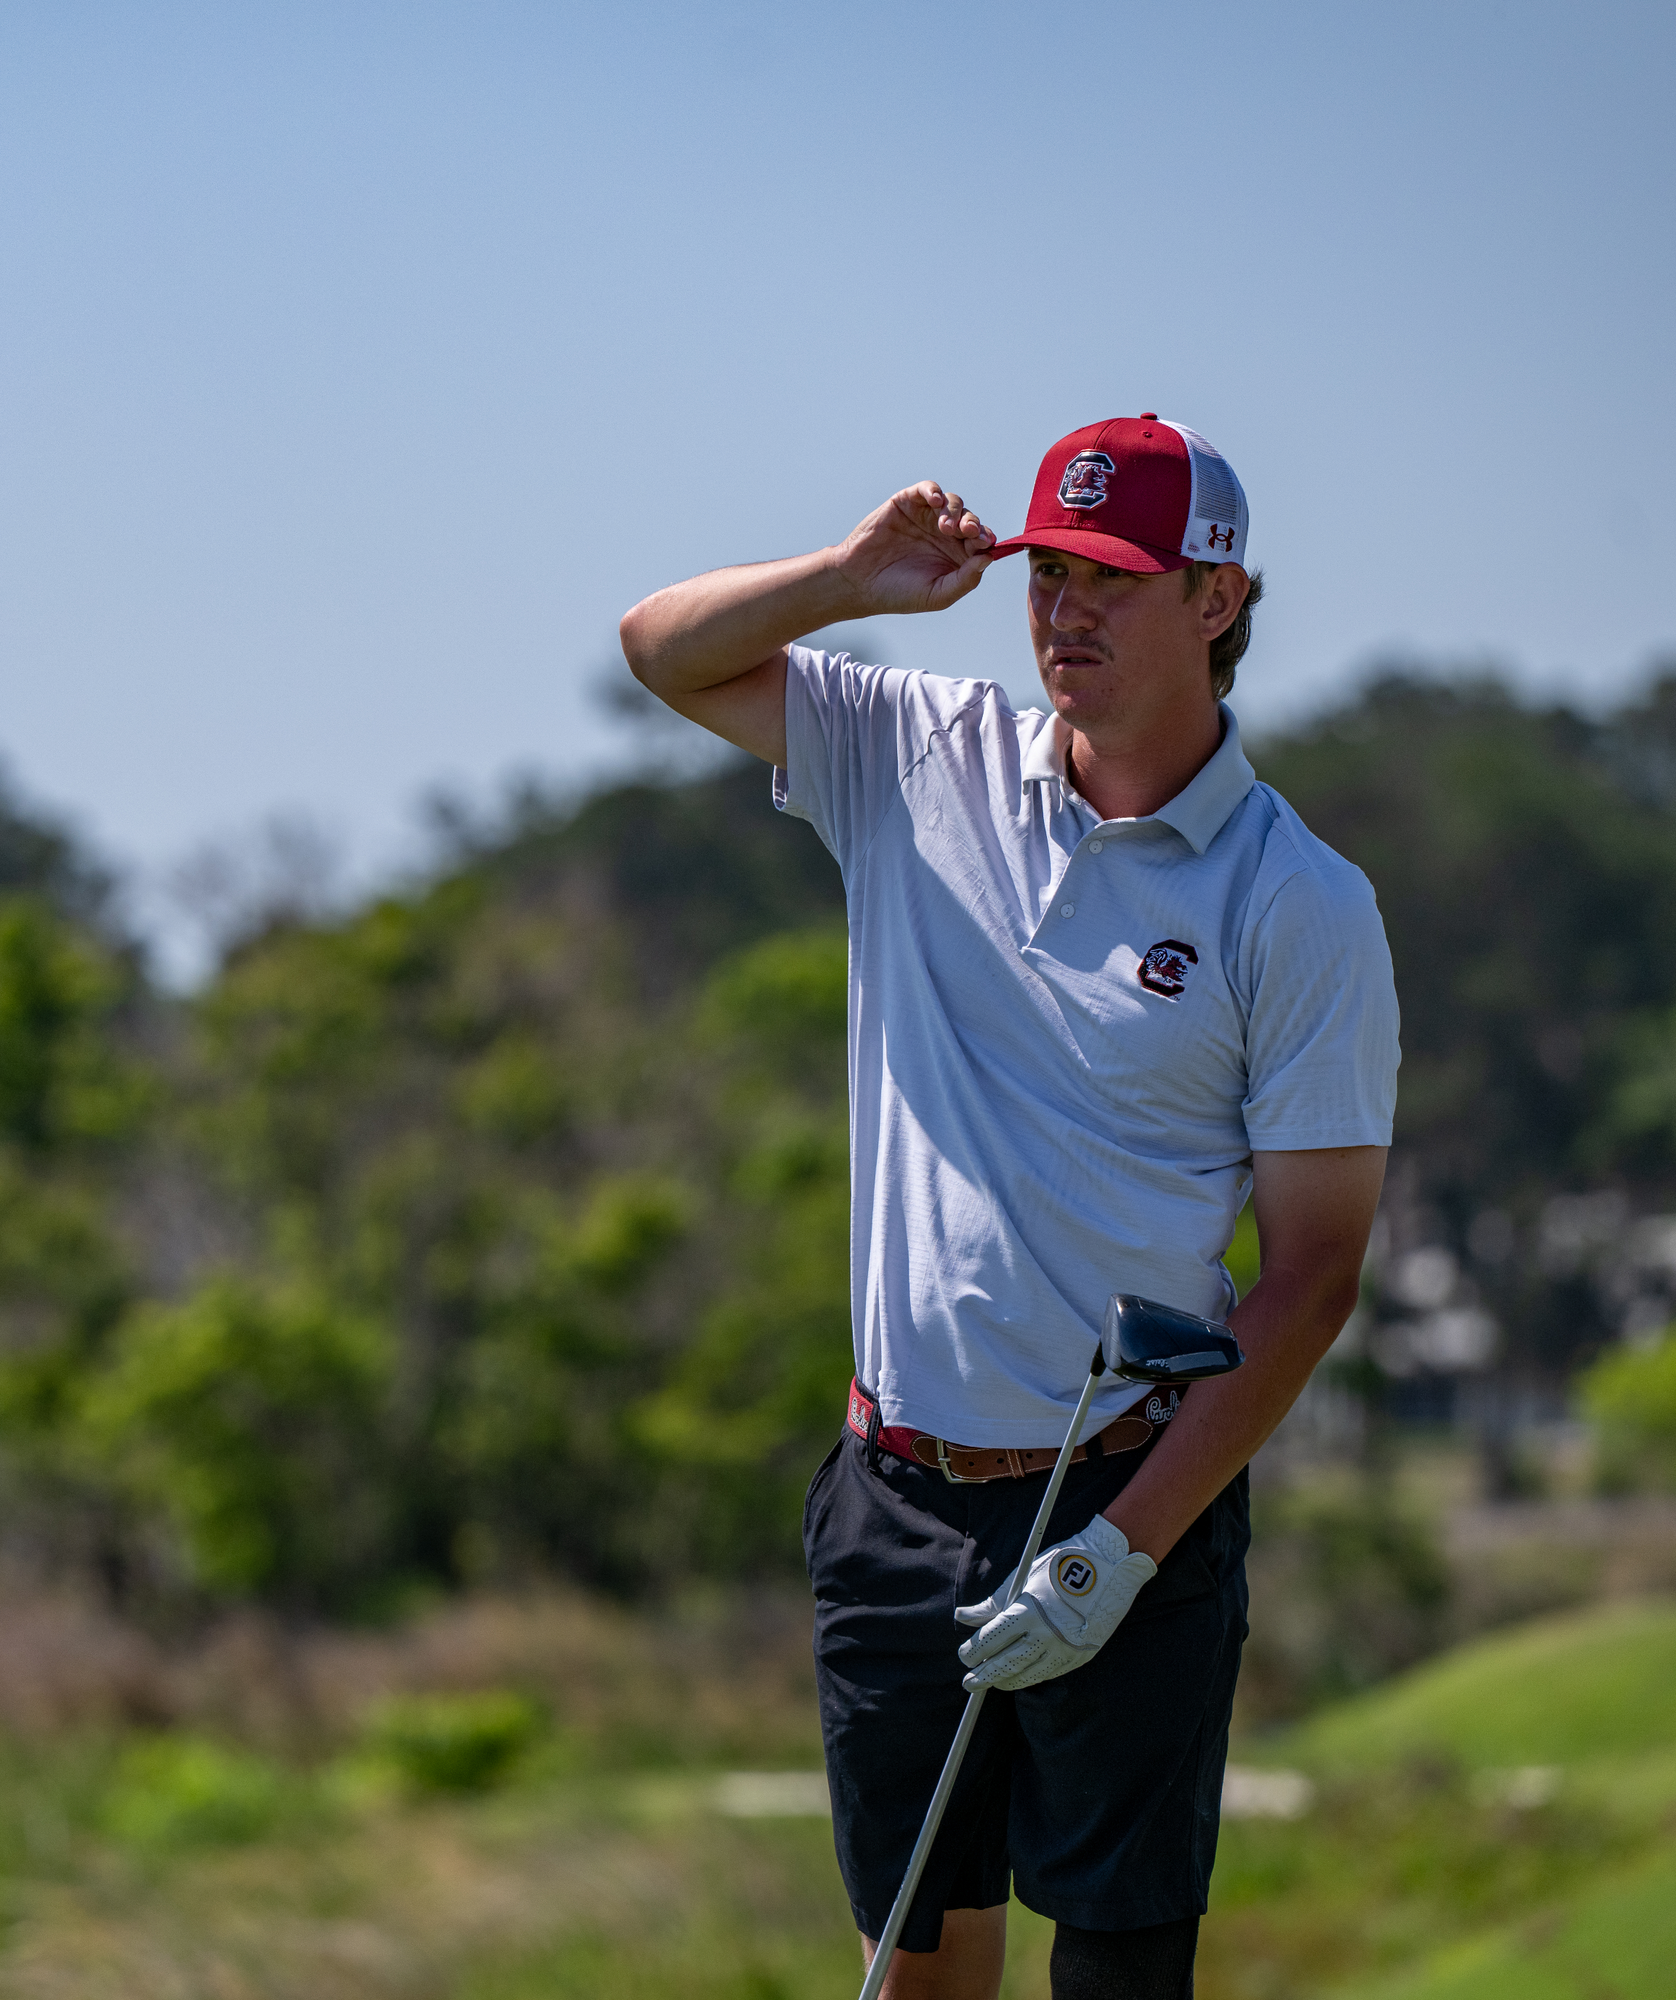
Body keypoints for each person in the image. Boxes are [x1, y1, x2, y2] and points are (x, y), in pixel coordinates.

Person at [618, 417, 1397, 2000]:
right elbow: (661, 654)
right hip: (894, 1491)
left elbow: (1311, 1279)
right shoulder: (920, 753)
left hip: (1128, 1500)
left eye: (1113, 577)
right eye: (1049, 572)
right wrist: (846, 578)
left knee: (1114, 1979)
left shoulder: (1292, 901)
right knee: (922, 1977)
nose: (1066, 612)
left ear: (1219, 598)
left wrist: (1122, 1550)